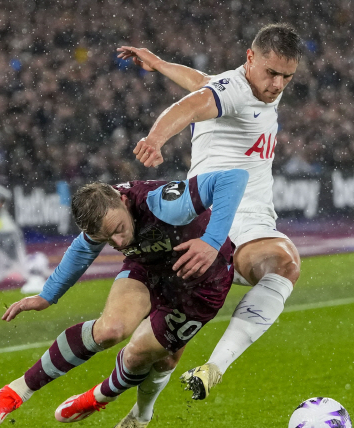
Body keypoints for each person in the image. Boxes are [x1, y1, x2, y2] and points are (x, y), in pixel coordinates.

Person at [0, 169, 248, 428]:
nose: (119, 243)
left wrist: (212, 241)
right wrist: (47, 296)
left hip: (201, 283)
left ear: (123, 200)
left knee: (150, 358)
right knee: (110, 330)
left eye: (119, 229)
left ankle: (118, 405)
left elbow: (233, 178)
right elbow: (82, 250)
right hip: (149, 267)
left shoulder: (163, 203)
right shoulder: (102, 214)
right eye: (108, 239)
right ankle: (17, 390)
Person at [116, 24, 302, 407]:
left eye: (287, 77)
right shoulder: (235, 90)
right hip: (208, 221)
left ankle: (214, 367)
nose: (278, 85)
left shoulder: (251, 85)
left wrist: (159, 63)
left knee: (284, 265)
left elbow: (201, 82)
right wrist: (155, 139)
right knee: (163, 353)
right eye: (272, 73)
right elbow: (191, 105)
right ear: (250, 58)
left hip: (251, 221)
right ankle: (140, 413)